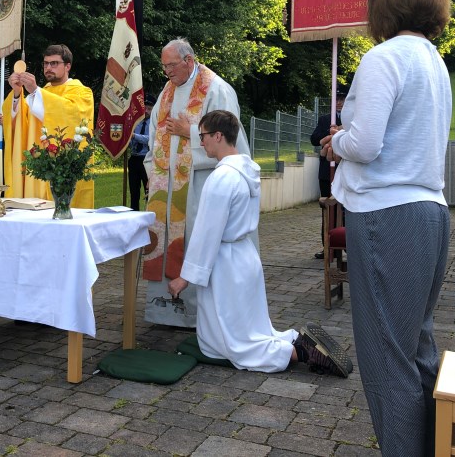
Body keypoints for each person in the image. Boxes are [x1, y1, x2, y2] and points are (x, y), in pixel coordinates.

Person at [320, 0, 452, 457]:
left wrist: (337, 142)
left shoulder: (385, 58)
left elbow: (367, 145)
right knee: (417, 348)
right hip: (430, 212)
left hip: (387, 217)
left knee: (386, 358)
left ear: (387, 0)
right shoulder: (433, 63)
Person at [167, 110, 353, 376]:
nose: (201, 141)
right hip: (245, 257)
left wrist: (184, 278)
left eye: (203, 136)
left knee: (235, 342)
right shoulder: (246, 170)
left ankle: (299, 352)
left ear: (218, 136)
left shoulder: (220, 178)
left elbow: (206, 234)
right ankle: (293, 339)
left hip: (225, 265)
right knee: (248, 327)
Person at [142, 38, 250, 327]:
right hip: (167, 189)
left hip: (202, 184)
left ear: (189, 60)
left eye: (172, 66)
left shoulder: (216, 89)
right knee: (167, 240)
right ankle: (164, 312)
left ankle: (197, 316)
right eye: (164, 67)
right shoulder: (166, 93)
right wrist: (155, 171)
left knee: (197, 240)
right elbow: (156, 137)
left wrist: (189, 131)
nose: (167, 73)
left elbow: (227, 137)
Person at [1, 44, 95, 208]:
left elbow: (70, 115)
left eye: (54, 63)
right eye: (45, 63)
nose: (48, 68)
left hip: (63, 169)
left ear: (67, 66)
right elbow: (24, 125)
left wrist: (35, 91)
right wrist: (17, 94)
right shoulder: (42, 92)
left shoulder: (82, 92)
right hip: (38, 167)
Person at [310, 89, 346, 259]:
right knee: (327, 208)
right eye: (336, 99)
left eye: (342, 99)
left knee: (345, 210)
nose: (339, 102)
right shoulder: (325, 119)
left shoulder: (352, 119)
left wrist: (341, 129)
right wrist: (330, 132)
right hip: (327, 172)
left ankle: (346, 245)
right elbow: (314, 138)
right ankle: (328, 247)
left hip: (344, 170)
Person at [127, 93, 155, 211]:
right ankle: (134, 214)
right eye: (145, 108)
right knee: (134, 191)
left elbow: (150, 139)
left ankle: (148, 214)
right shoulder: (136, 122)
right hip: (134, 158)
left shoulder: (154, 123)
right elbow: (129, 138)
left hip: (147, 159)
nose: (146, 111)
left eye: (149, 109)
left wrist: (134, 136)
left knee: (148, 191)